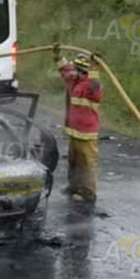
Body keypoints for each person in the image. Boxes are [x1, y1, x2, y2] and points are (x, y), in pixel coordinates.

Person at [52, 44, 103, 203]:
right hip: (74, 131)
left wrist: (95, 67)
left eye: (80, 70)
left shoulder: (92, 85)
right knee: (74, 161)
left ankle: (88, 192)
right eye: (76, 69)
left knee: (86, 163)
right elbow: (65, 70)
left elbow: (95, 86)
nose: (75, 72)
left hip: (87, 133)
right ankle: (74, 186)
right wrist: (58, 56)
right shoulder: (74, 81)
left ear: (86, 72)